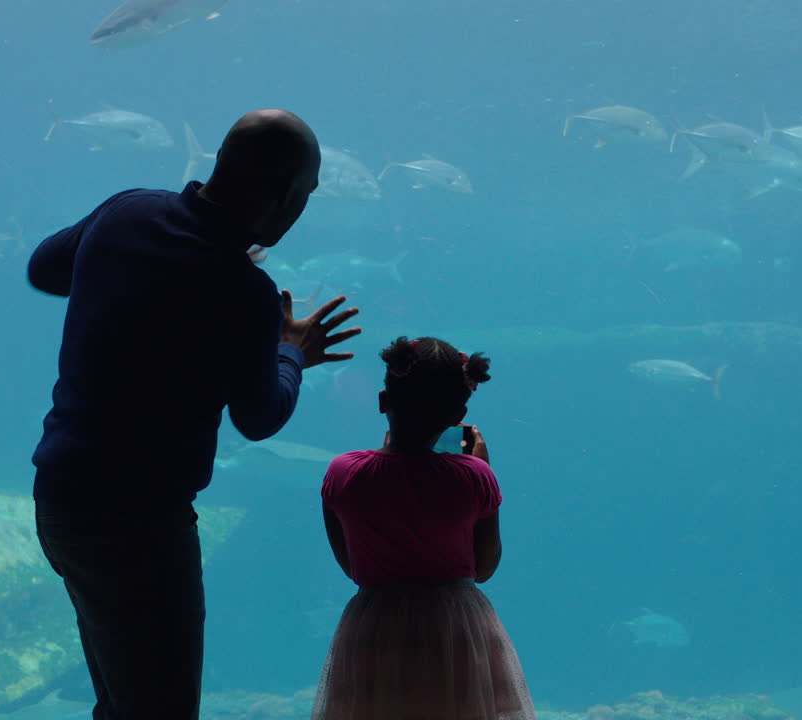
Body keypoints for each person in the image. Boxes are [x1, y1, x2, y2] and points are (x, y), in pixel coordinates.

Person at [26, 108, 361, 720]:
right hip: (141, 527)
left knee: (122, 700)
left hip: (61, 501)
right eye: (307, 194)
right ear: (287, 198)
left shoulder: (125, 210)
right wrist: (292, 351)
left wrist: (136, 276)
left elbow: (45, 269)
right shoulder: (241, 290)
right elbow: (260, 418)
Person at [313, 336, 535, 720]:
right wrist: (480, 469)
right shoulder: (475, 477)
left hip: (374, 631)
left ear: (384, 401)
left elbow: (353, 568)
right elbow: (484, 568)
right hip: (456, 630)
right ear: (459, 414)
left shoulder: (343, 473)